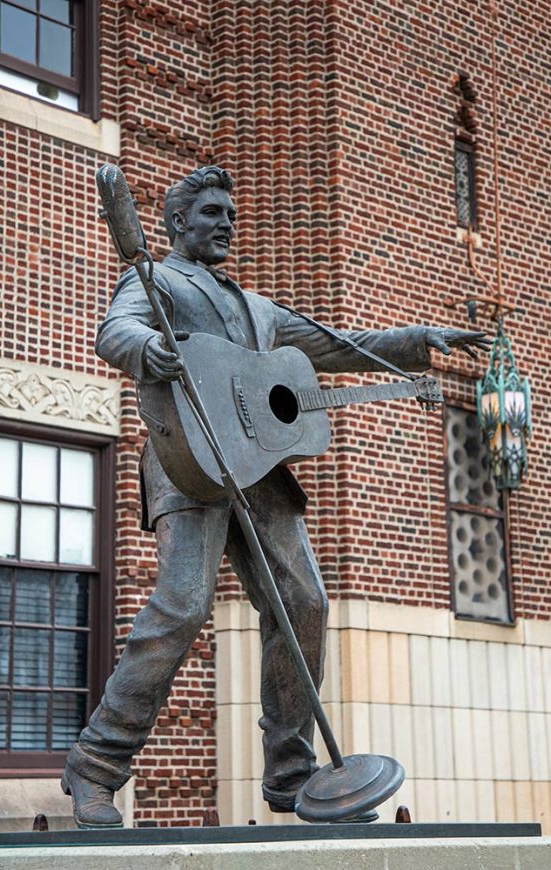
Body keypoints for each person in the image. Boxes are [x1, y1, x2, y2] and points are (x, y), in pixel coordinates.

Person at [62, 166, 490, 828]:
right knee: (183, 608)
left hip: (259, 472)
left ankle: (291, 771)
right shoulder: (160, 280)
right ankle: (95, 766)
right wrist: (149, 346)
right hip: (190, 464)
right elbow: (114, 331)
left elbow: (339, 348)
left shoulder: (259, 307)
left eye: (230, 212)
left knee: (305, 602)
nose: (226, 222)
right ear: (178, 224)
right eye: (211, 212)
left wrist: (416, 344)